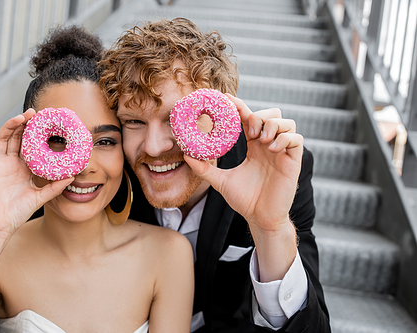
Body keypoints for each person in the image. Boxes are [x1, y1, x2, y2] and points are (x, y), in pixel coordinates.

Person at [0, 25, 194, 332]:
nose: (83, 165)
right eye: (57, 140)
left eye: (104, 141)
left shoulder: (169, 254)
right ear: (25, 145)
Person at [97, 18, 330, 332]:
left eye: (175, 118)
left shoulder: (277, 172)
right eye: (134, 122)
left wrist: (270, 229)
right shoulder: (106, 174)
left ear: (222, 114)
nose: (152, 147)